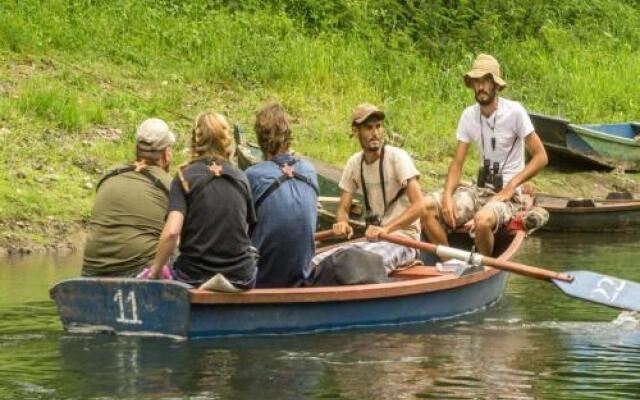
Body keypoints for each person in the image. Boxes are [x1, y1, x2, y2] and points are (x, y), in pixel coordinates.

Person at [421, 53, 548, 256]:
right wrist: (446, 197)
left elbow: (541, 156)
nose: (481, 87)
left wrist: (512, 186)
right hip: (478, 191)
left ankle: (483, 269)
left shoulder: (515, 112)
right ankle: (448, 262)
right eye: (477, 82)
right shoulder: (468, 115)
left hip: (507, 196)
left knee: (481, 221)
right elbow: (457, 163)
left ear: (496, 85)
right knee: (425, 207)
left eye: (486, 81)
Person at [309, 103, 423, 283]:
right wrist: (341, 222)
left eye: (378, 127)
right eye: (369, 128)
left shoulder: (398, 158)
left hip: (403, 240)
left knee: (363, 266)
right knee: (315, 262)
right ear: (356, 131)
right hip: (373, 240)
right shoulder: (354, 163)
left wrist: (386, 229)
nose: (375, 133)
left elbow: (420, 206)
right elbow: (343, 208)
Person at [147, 112, 257, 289]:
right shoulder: (241, 177)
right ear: (227, 140)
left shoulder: (184, 177)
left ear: (195, 140)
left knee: (172, 260)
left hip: (193, 277)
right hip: (240, 278)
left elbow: (172, 232)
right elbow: (246, 229)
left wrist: (154, 271)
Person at [81, 118, 175, 277]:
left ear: (136, 149)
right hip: (139, 272)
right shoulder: (171, 185)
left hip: (91, 270)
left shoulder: (109, 175)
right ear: (166, 154)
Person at [245, 102, 319, 288]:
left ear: (261, 138)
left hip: (263, 279)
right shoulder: (309, 171)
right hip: (302, 276)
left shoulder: (252, 175)